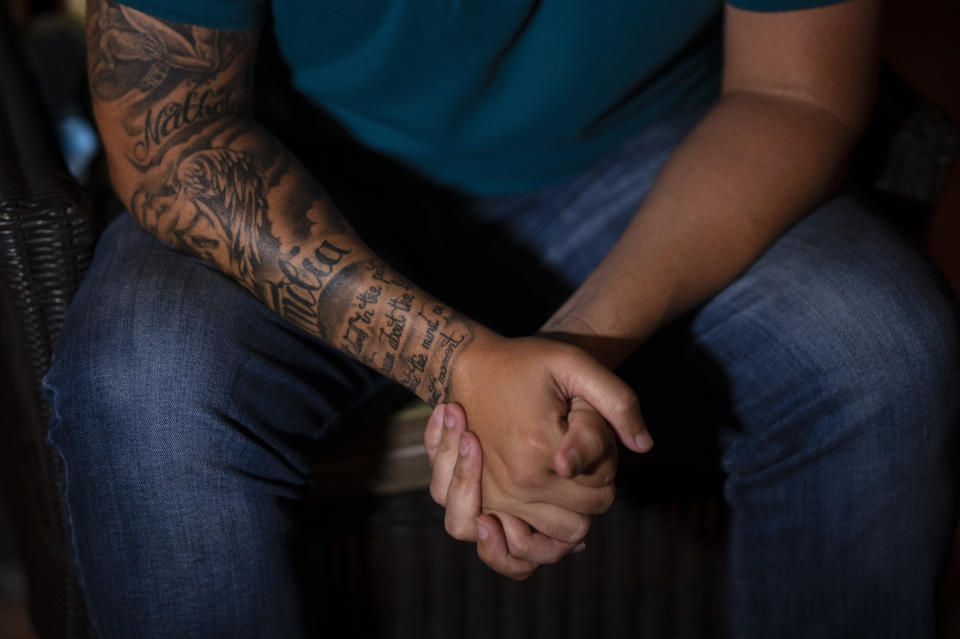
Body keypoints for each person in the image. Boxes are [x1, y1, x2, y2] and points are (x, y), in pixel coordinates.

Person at [44, 0, 958, 636]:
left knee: (878, 354)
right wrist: (462, 363)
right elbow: (173, 137)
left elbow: (792, 93)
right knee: (143, 382)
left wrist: (573, 346)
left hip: (651, 160)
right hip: (310, 174)